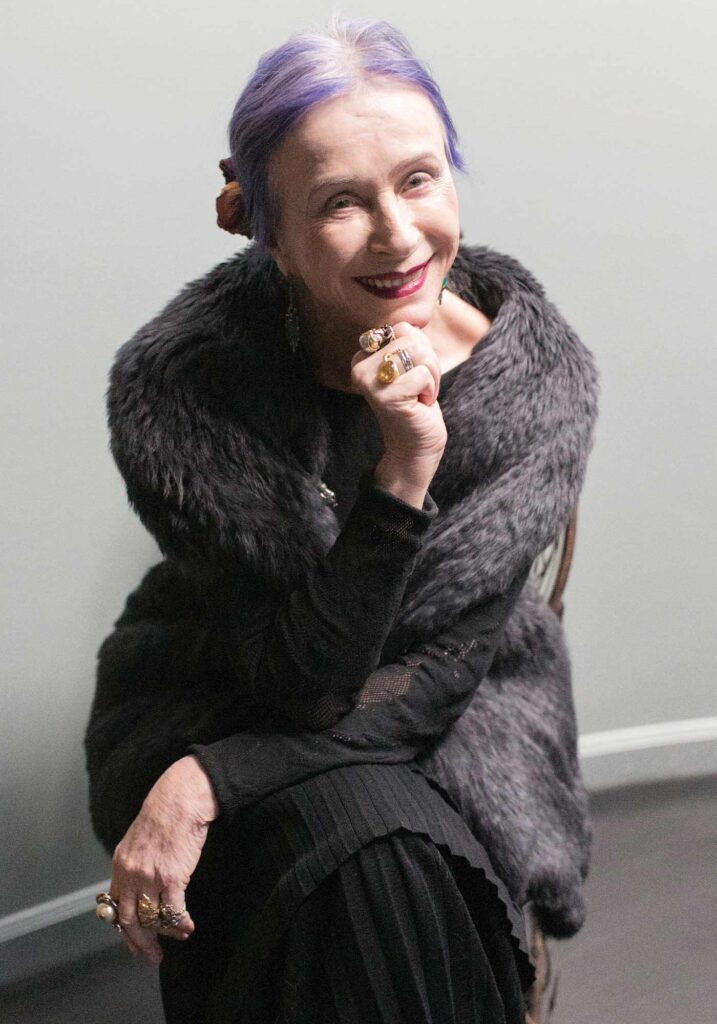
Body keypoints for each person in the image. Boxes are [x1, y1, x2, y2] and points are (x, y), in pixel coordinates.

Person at [84, 15, 600, 1024]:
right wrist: (400, 480)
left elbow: (433, 679)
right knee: (363, 851)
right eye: (339, 203)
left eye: (419, 179)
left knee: (372, 853)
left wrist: (206, 784)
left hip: (459, 710)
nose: (401, 237)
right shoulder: (189, 385)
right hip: (225, 680)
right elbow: (297, 683)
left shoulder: (530, 383)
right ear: (264, 228)